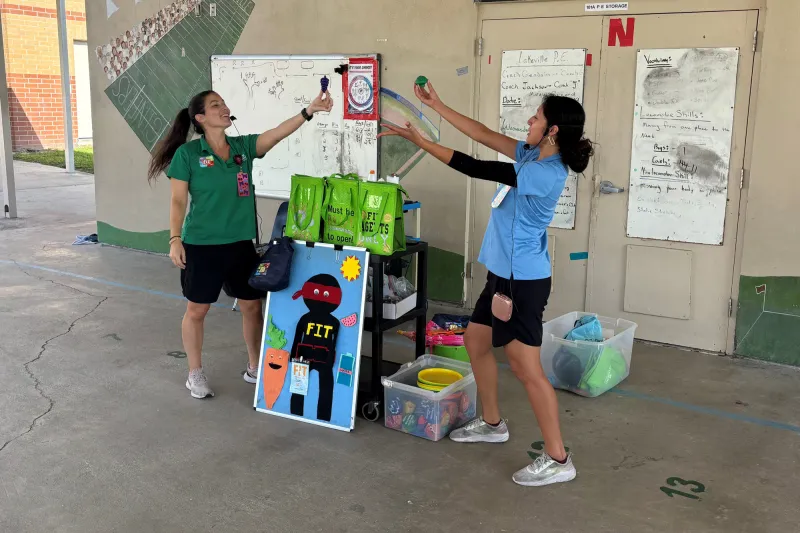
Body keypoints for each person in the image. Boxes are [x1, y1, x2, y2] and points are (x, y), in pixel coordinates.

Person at [378, 82, 593, 487]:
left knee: (526, 368)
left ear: (552, 131)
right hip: (501, 274)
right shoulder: (531, 152)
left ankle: (559, 458)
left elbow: (476, 165)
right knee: (476, 341)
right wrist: (438, 103)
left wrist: (421, 142)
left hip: (522, 282)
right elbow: (481, 134)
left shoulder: (546, 173)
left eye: (537, 116)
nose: (529, 119)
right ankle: (493, 424)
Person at [147, 89, 334, 399]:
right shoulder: (188, 155)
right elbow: (178, 200)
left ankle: (254, 367)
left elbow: (275, 135)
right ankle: (194, 373)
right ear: (201, 118)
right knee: (198, 309)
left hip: (239, 244)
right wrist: (174, 238)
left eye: (223, 103)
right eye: (215, 105)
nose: (224, 108)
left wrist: (308, 111)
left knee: (251, 305)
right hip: (202, 245)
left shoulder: (242, 147)